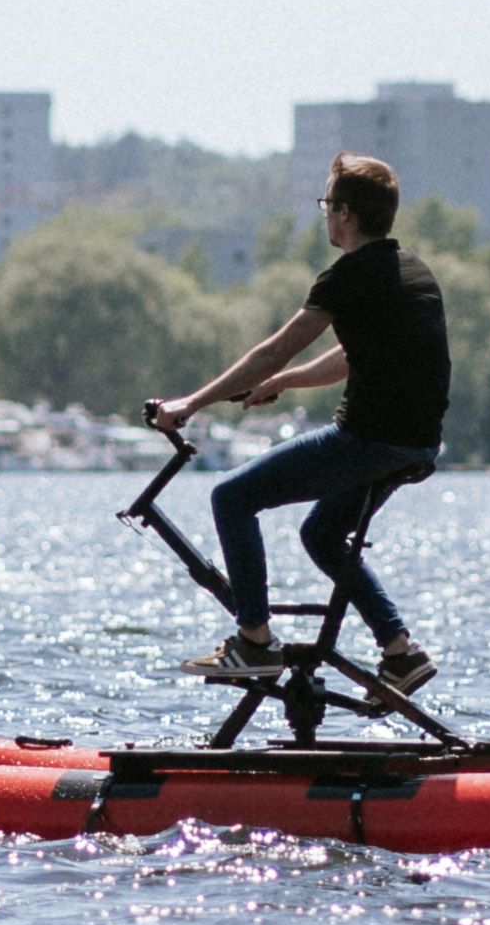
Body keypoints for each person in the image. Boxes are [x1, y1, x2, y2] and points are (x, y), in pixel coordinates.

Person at [148, 154, 446, 690]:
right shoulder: (411, 271)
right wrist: (284, 385)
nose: (325, 215)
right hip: (416, 446)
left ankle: (255, 641)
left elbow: (273, 350)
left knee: (231, 499)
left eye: (327, 205)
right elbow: (352, 358)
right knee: (323, 534)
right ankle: (399, 651)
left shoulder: (347, 276)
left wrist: (188, 405)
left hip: (368, 440)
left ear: (346, 215)